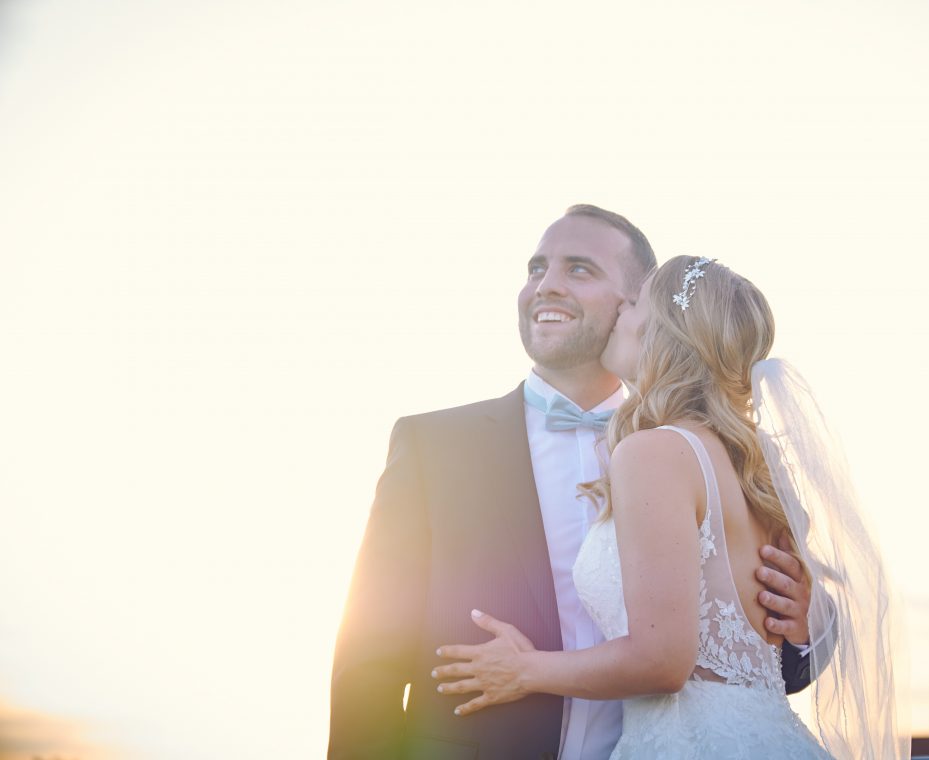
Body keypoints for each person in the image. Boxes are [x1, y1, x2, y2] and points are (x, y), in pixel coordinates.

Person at [328, 209, 821, 760]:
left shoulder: (702, 458)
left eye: (579, 269)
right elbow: (368, 656)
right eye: (536, 267)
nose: (547, 285)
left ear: (635, 305)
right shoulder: (432, 446)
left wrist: (798, 629)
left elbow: (754, 666)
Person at [431, 256, 907, 759]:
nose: (619, 310)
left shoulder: (654, 451)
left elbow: (662, 662)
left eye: (634, 301)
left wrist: (524, 670)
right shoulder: (753, 460)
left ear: (664, 330)